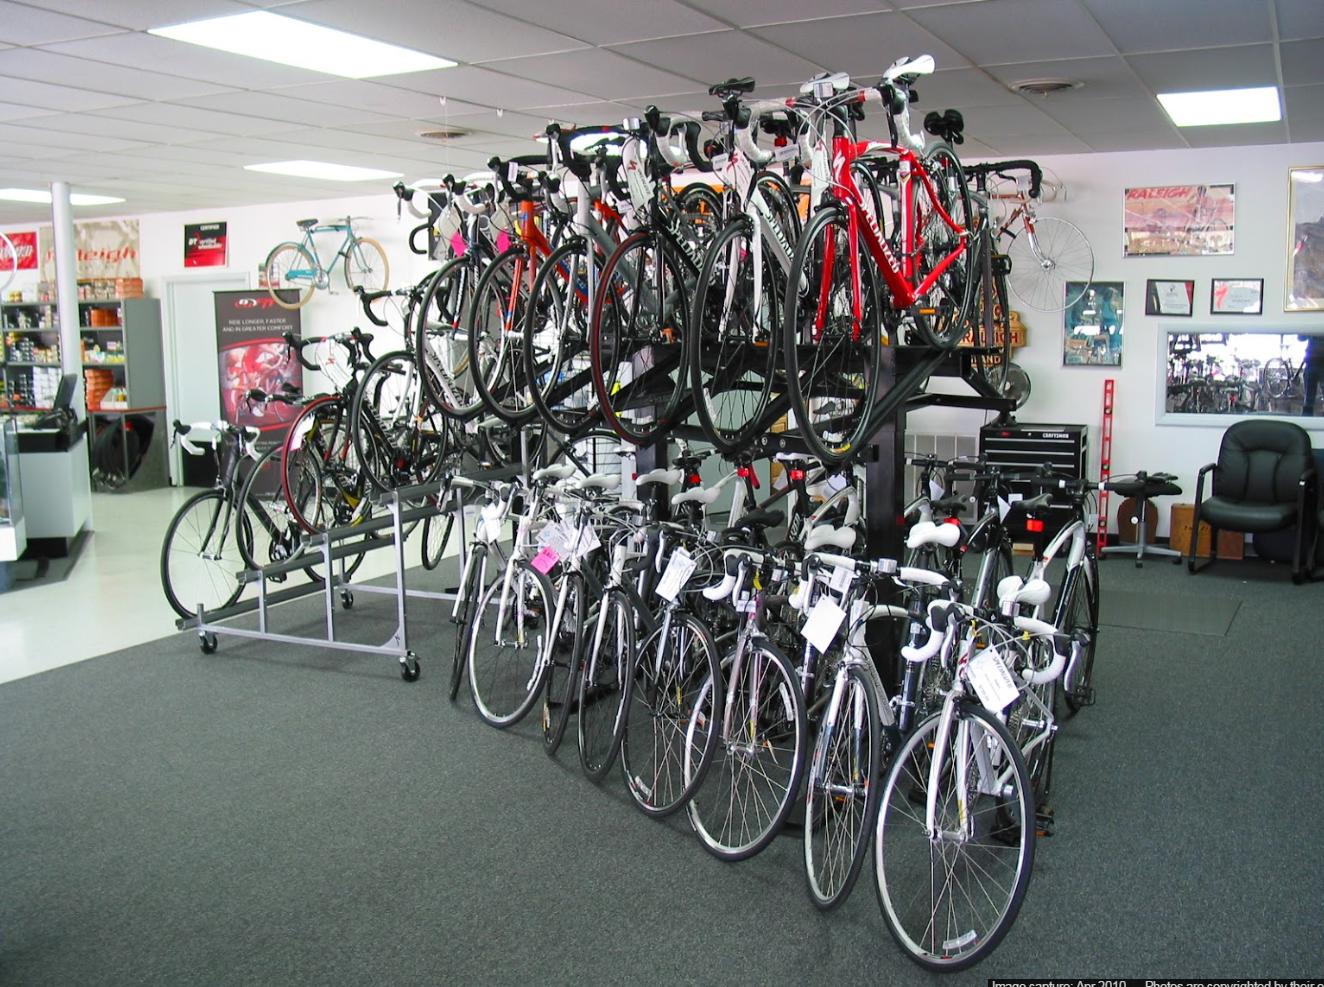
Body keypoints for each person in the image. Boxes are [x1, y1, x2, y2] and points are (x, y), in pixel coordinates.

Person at [1301, 334, 1324, 416]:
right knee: (1308, 398)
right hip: (1311, 362)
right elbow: (1301, 337)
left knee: (1308, 398)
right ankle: (1306, 419)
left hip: (1312, 361)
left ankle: (1306, 419)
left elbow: (1301, 337)